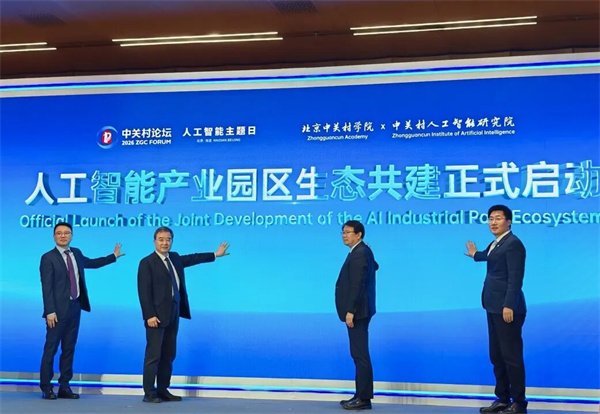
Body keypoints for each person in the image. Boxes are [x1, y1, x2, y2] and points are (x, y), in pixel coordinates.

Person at [137, 226, 229, 403]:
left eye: (168, 239)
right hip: (156, 317)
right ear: (154, 241)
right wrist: (149, 315)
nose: (165, 243)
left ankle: (163, 389)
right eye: (161, 239)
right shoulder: (147, 262)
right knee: (153, 356)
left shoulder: (174, 258)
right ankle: (149, 393)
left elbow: (194, 258)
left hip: (174, 313)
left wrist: (215, 254)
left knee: (169, 354)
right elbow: (144, 291)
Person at [39, 222, 125, 400]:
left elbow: (91, 263)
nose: (63, 236)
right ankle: (46, 387)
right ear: (54, 236)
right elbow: (46, 287)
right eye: (59, 233)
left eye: (67, 233)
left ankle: (64, 386)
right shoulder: (48, 258)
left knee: (69, 348)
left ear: (71, 235)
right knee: (51, 349)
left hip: (75, 307)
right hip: (56, 312)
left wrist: (113, 256)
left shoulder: (76, 253)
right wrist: (50, 311)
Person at [465, 205, 527, 414]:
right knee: (497, 356)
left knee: (511, 357)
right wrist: (475, 255)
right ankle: (502, 398)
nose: (493, 222)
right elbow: (489, 256)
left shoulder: (513, 244)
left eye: (498, 218)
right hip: (493, 307)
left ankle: (518, 403)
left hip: (507, 309)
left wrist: (509, 304)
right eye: (491, 218)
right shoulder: (497, 243)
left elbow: (515, 278)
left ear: (508, 222)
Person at [335, 220, 378, 410]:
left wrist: (350, 311)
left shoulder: (360, 253)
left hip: (358, 312)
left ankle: (364, 399)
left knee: (360, 355)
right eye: (343, 232)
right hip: (361, 311)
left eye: (348, 232)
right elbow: (374, 266)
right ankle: (360, 394)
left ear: (359, 234)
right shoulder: (362, 251)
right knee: (358, 354)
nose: (344, 235)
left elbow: (357, 285)